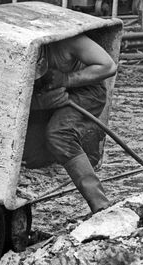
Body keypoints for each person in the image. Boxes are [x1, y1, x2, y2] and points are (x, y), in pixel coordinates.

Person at [22, 34, 117, 213]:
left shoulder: (67, 41)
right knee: (29, 153)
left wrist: (67, 79)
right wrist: (41, 103)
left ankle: (101, 206)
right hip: (46, 95)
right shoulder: (20, 46)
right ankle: (76, 152)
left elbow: (108, 66)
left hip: (87, 92)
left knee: (59, 134)